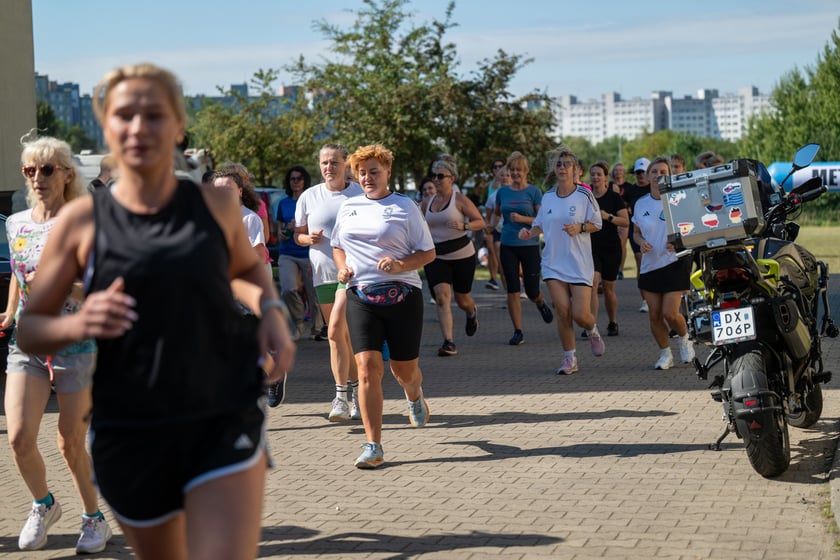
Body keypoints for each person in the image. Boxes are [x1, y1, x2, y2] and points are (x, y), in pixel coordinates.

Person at [15, 62, 295, 560]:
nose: (139, 126)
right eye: (125, 114)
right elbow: (31, 329)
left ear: (179, 125)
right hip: (130, 424)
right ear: (107, 128)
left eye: (155, 114)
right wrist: (81, 321)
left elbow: (244, 271)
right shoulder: (82, 220)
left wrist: (271, 310)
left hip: (220, 408)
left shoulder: (216, 205)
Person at [4, 134, 113, 554]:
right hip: (28, 340)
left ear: (67, 175)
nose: (38, 177)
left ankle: (93, 518)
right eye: (30, 169)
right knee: (18, 436)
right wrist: (10, 312)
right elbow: (19, 273)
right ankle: (43, 504)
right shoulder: (16, 223)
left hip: (75, 342)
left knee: (69, 443)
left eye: (47, 169)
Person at [332, 143, 435, 469]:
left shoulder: (405, 206)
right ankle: (373, 445)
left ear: (388, 172)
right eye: (362, 173)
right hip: (360, 294)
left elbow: (428, 252)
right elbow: (337, 246)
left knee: (402, 370)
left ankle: (414, 394)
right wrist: (342, 268)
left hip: (404, 295)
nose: (367, 178)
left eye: (374, 171)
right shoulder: (348, 207)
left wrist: (400, 264)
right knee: (366, 369)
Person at [519, 148, 604, 375]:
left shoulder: (584, 195)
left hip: (578, 263)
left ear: (575, 169)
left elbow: (597, 223)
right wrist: (529, 233)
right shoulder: (548, 196)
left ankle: (592, 329)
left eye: (567, 164)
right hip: (553, 263)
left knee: (580, 315)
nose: (562, 168)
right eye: (558, 164)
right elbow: (539, 224)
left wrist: (580, 227)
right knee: (562, 311)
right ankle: (570, 359)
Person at [294, 143, 363, 421]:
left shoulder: (359, 193)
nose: (328, 167)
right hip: (322, 275)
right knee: (340, 337)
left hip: (353, 274)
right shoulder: (309, 196)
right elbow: (298, 234)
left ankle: (342, 396)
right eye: (324, 162)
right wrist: (307, 239)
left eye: (334, 162)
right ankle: (354, 394)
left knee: (337, 333)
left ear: (345, 164)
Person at [631, 156, 695, 370]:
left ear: (669, 175)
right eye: (654, 172)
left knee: (670, 313)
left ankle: (685, 338)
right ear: (648, 176)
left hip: (674, 261)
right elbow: (636, 232)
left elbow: (692, 227)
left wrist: (679, 241)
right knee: (655, 315)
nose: (658, 176)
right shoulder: (640, 203)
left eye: (663, 172)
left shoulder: (678, 198)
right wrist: (641, 242)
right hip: (650, 264)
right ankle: (665, 354)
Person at [421, 158, 485, 357]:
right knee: (441, 297)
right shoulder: (427, 202)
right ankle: (448, 342)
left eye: (440, 176)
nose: (436, 179)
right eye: (433, 176)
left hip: (462, 255)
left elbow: (480, 222)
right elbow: (416, 224)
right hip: (437, 256)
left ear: (452, 178)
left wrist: (464, 226)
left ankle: (471, 312)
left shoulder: (460, 200)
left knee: (462, 299)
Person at [494, 151, 554, 345]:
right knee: (512, 289)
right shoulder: (503, 192)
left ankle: (540, 302)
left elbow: (543, 220)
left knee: (531, 291)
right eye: (512, 170)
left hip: (529, 245)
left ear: (526, 171)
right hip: (508, 245)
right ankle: (518, 331)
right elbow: (497, 212)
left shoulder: (534, 192)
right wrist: (490, 226)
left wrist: (522, 219)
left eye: (519, 170)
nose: (515, 173)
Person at [277, 165, 324, 340]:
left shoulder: (311, 201)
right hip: (287, 252)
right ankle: (299, 322)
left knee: (314, 293)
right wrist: (282, 232)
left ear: (305, 181)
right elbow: (279, 230)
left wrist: (301, 228)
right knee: (288, 289)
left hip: (308, 252)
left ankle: (317, 328)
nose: (295, 182)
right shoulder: (283, 203)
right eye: (292, 179)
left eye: (299, 178)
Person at [588, 160, 629, 337]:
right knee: (592, 284)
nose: (595, 177)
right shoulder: (586, 197)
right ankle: (591, 326)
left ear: (606, 178)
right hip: (591, 248)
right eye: (593, 174)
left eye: (599, 174)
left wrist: (608, 217)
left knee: (608, 289)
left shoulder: (614, 197)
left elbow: (625, 221)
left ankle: (612, 322)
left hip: (611, 248)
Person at [622, 157, 652, 312]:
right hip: (637, 231)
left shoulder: (654, 189)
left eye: (643, 172)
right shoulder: (630, 191)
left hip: (654, 231)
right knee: (640, 262)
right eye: (638, 172)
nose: (640, 175)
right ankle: (645, 300)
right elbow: (624, 207)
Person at [482, 159, 506, 291]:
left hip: (511, 228)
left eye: (500, 166)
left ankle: (521, 280)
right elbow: (489, 210)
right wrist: (488, 227)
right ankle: (494, 279)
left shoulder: (517, 189)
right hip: (495, 227)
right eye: (495, 167)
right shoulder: (491, 188)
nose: (498, 169)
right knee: (493, 252)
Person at [609, 162, 632, 280]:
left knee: (622, 245)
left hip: (624, 219)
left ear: (624, 172)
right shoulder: (609, 185)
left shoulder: (629, 187)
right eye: (616, 170)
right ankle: (611, 268)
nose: (618, 172)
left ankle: (620, 270)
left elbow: (631, 202)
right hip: (611, 219)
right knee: (612, 245)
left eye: (621, 170)